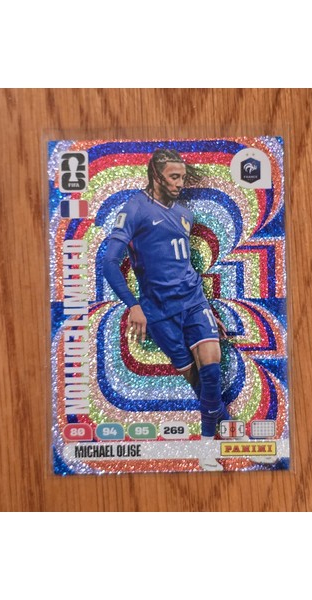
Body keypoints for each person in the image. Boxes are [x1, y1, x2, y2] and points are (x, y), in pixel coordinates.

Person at [103, 148, 229, 470]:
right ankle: (231, 430)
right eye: (174, 177)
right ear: (156, 176)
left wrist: (208, 309)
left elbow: (182, 264)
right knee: (198, 382)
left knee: (212, 369)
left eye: (183, 177)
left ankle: (207, 450)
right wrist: (133, 305)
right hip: (159, 312)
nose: (180, 183)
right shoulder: (134, 209)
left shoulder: (185, 214)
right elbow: (109, 262)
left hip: (194, 300)